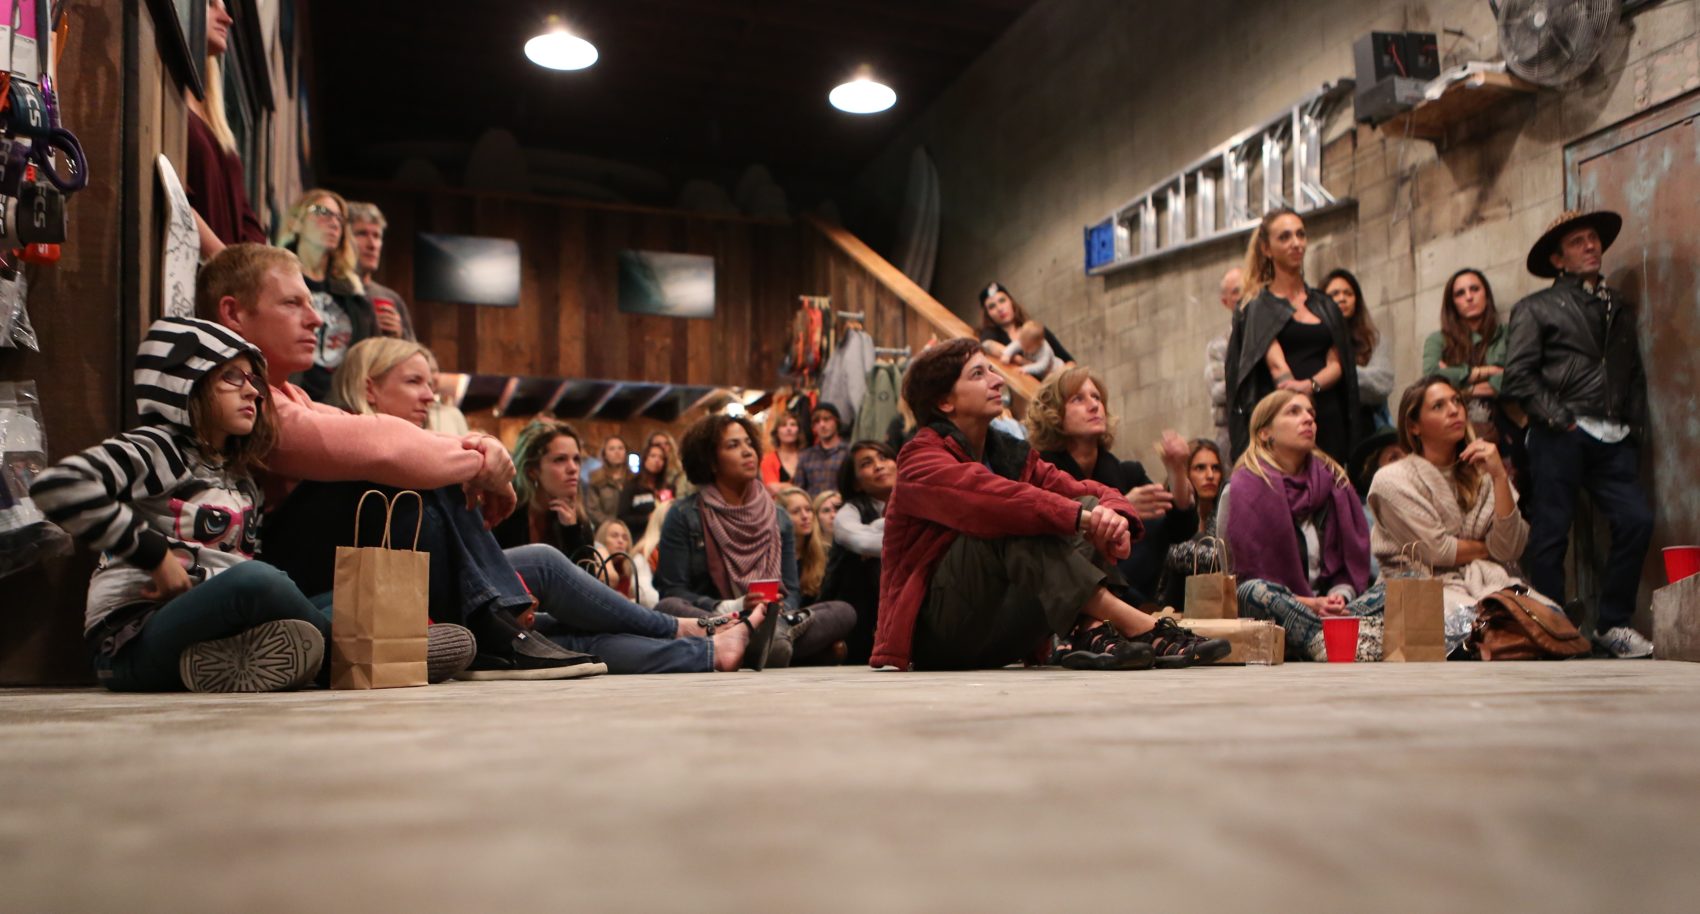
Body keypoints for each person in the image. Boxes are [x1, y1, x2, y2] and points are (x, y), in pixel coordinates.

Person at [197, 244, 599, 681]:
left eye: (311, 304)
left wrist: (479, 448)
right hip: (273, 580)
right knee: (399, 479)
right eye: (293, 303)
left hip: (307, 569)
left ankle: (503, 629)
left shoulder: (294, 396)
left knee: (421, 483)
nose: (316, 319)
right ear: (233, 313)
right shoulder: (247, 401)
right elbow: (380, 445)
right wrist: (479, 460)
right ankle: (495, 629)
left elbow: (394, 441)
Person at [334, 339, 762, 674]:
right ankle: (688, 631)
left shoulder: (426, 460)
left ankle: (707, 651)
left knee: (578, 638)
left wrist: (574, 529)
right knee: (546, 567)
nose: (430, 396)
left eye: (577, 459)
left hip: (478, 606)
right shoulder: (360, 452)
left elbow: (585, 578)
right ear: (369, 387)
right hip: (427, 606)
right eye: (415, 383)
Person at [28, 318, 353, 692]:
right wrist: (155, 557)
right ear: (186, 382)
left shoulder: (242, 477)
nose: (252, 392)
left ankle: (245, 659)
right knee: (259, 582)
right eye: (232, 377)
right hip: (130, 640)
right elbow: (61, 485)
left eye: (253, 380)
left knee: (342, 597)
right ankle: (350, 662)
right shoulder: (157, 448)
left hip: (208, 632)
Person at [873, 338, 1227, 672]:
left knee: (1079, 504)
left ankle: (1091, 630)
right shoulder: (919, 458)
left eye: (992, 370)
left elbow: (1085, 491)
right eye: (979, 374)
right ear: (945, 402)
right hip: (938, 636)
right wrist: (1083, 519)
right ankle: (1140, 626)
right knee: (1014, 517)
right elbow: (991, 500)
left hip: (1001, 633)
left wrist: (1113, 516)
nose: (997, 381)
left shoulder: (1009, 453)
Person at [1503, 209, 1654, 658]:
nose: (1591, 246)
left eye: (1594, 239)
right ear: (1558, 260)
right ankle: (1555, 631)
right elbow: (1517, 378)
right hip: (1560, 433)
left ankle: (1613, 624)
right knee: (1551, 533)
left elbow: (1632, 372)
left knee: (1636, 520)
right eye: (1577, 242)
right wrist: (1559, 418)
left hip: (1614, 435)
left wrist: (1633, 428)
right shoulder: (1536, 308)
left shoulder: (1617, 306)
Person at [654, 414, 856, 669]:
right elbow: (672, 591)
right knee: (667, 607)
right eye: (733, 445)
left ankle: (758, 642)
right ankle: (763, 642)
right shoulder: (684, 514)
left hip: (773, 618)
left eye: (749, 443)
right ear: (711, 462)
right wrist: (736, 606)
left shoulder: (779, 516)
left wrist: (778, 609)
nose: (748, 452)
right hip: (718, 618)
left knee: (844, 612)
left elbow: (791, 589)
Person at [1368, 377, 1549, 655]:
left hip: (1485, 579)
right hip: (1420, 585)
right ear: (1414, 426)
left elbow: (1510, 547)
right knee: (1469, 621)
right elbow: (1437, 551)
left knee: (1546, 615)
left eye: (1456, 401)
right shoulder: (1392, 480)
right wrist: (1488, 549)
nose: (1454, 410)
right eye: (1438, 406)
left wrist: (1500, 476)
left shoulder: (1484, 474)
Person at [1220, 389, 1384, 662]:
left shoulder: (1335, 483)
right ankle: (1335, 638)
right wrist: (1311, 604)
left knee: (1404, 583)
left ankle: (1327, 637)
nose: (1308, 419)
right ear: (1264, 433)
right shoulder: (1240, 489)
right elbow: (1234, 580)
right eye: (1294, 412)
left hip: (1332, 607)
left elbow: (1349, 568)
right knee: (1252, 593)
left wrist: (1337, 597)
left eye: (1311, 413)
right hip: (1279, 610)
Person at [1026, 366, 1198, 608]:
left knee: (1153, 524)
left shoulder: (1127, 471)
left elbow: (1179, 528)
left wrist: (1177, 469)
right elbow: (1052, 542)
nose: (1094, 405)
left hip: (1123, 584)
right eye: (1078, 399)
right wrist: (1122, 509)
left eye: (1097, 397)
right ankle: (1135, 614)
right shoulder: (1040, 471)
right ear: (1054, 415)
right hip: (1062, 595)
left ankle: (1134, 611)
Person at [1226, 208, 1360, 466]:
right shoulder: (1258, 306)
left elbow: (1338, 363)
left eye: (1300, 235)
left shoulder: (1325, 304)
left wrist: (1311, 385)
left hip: (1328, 415)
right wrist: (1298, 396)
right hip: (1284, 420)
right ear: (1266, 248)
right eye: (1285, 237)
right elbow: (1278, 367)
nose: (1296, 243)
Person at [1423, 268, 1523, 489]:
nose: (1469, 296)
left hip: (1506, 426)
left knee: (1511, 494)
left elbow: (1517, 377)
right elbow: (1431, 377)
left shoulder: (1507, 334)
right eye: (1460, 293)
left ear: (1486, 295)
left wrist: (1456, 377)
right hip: (1458, 431)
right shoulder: (1438, 340)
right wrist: (1487, 372)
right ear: (1452, 303)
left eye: (1475, 289)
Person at [277, 189, 377, 401]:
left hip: (341, 404)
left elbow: (371, 355)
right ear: (296, 222)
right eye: (322, 212)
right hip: (286, 397)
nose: (334, 223)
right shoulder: (276, 279)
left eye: (339, 218)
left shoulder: (354, 293)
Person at [184, 1, 266, 256]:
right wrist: (230, 270)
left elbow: (245, 217)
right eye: (210, 4)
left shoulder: (212, 116)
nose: (227, 18)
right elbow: (177, 199)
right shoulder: (172, 105)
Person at [824, 441, 896, 663]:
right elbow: (862, 543)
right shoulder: (849, 511)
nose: (879, 466)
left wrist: (877, 530)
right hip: (854, 615)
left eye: (883, 457)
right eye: (867, 463)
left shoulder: (914, 502)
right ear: (855, 483)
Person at [490, 420, 595, 556]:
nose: (573, 468)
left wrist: (571, 532)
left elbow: (587, 575)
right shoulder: (505, 516)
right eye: (560, 459)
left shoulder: (579, 523)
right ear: (532, 470)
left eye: (576, 459)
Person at [1322, 268, 1393, 433]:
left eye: (1348, 293)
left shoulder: (1373, 339)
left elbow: (1382, 384)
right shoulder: (1315, 341)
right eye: (1334, 294)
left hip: (1367, 427)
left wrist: (1335, 373)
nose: (1342, 298)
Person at [1161, 439, 1227, 601]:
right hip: (1170, 602)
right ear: (1185, 473)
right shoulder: (1170, 510)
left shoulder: (1224, 512)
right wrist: (1224, 559)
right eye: (1200, 468)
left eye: (1215, 468)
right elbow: (1171, 554)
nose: (1210, 475)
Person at [346, 202, 417, 341]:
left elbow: (413, 355)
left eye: (377, 236)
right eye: (362, 234)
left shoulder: (391, 299)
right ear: (344, 239)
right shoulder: (332, 290)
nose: (372, 245)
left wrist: (399, 336)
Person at [976, 282, 1075, 367]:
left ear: (1011, 301)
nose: (1000, 308)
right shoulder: (992, 334)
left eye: (1002, 300)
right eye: (992, 306)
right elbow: (986, 344)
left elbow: (1068, 361)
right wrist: (1024, 362)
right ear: (987, 314)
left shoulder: (1034, 329)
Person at [1206, 267, 1243, 454]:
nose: (1244, 295)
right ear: (1225, 301)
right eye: (1236, 291)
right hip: (1232, 436)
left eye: (1247, 288)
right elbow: (1219, 392)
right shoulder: (1218, 346)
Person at [778, 487, 829, 604]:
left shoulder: (825, 552)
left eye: (808, 509)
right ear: (782, 519)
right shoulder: (774, 557)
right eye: (796, 511)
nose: (805, 516)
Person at [618, 442, 678, 539]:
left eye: (661, 458)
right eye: (653, 456)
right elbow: (622, 516)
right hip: (638, 537)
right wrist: (647, 518)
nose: (657, 460)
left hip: (664, 537)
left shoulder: (669, 488)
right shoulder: (631, 486)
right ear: (645, 459)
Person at [594, 519, 659, 608]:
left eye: (625, 538)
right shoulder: (594, 566)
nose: (621, 541)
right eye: (614, 536)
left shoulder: (631, 569)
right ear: (602, 539)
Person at [791, 403, 850, 497]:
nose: (822, 425)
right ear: (813, 427)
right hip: (813, 508)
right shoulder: (806, 456)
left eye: (826, 419)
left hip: (842, 507)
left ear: (836, 421)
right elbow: (799, 491)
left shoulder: (849, 453)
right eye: (817, 421)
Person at [584, 436, 630, 528]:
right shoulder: (596, 478)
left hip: (632, 529)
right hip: (605, 530)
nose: (617, 452)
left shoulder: (633, 478)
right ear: (604, 454)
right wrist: (612, 525)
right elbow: (592, 510)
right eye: (612, 449)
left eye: (620, 448)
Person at [761, 413, 805, 494]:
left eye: (793, 424)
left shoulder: (807, 457)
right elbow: (772, 488)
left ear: (798, 430)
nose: (789, 428)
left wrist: (784, 486)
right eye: (784, 425)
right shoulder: (768, 460)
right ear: (776, 432)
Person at [645, 431, 695, 497]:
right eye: (658, 444)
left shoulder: (681, 467)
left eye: (666, 443)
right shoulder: (649, 473)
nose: (663, 447)